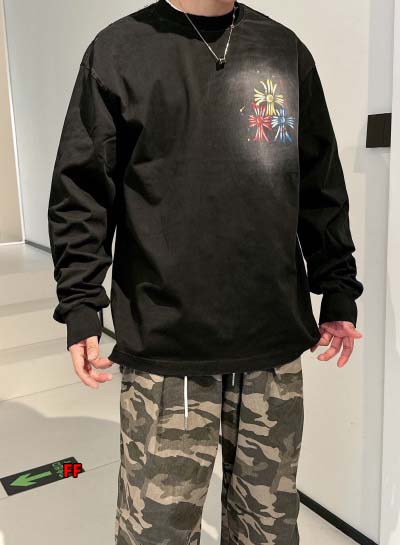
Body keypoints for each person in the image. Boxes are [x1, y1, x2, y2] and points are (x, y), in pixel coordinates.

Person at [47, 0, 364, 543]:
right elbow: (82, 191)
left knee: (268, 530)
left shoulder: (283, 50)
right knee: (157, 533)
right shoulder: (119, 50)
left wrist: (337, 286)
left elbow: (319, 181)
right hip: (167, 348)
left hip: (271, 343)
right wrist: (80, 303)